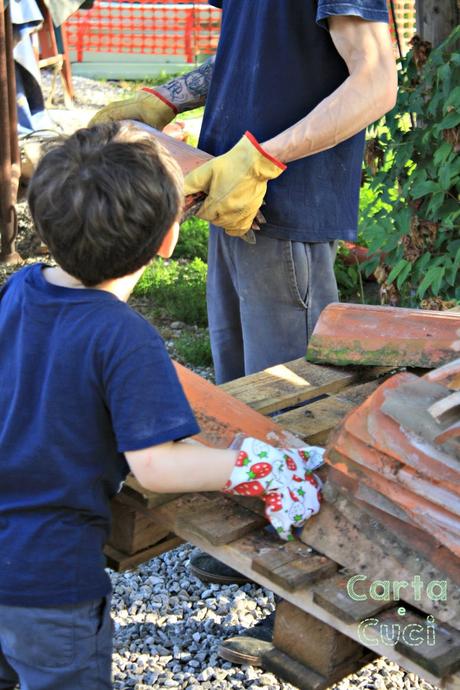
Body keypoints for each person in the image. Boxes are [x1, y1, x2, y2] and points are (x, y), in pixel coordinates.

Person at [91, 0, 398, 663]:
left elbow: (376, 81)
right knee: (243, 395)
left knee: (298, 414)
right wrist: (163, 99)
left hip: (278, 201)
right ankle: (258, 543)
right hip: (234, 197)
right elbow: (253, 58)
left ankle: (312, 594)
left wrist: (263, 160)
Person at [0, 121, 325, 689]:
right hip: (47, 582)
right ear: (168, 241)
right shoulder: (123, 337)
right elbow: (157, 463)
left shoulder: (18, 290)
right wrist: (258, 464)